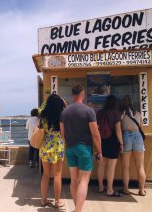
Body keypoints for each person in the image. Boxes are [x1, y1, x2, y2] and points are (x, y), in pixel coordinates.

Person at [60, 84, 102, 212]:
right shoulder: (89, 111)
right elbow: (95, 134)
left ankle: (76, 208)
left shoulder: (64, 112)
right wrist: (99, 151)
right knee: (84, 181)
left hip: (70, 148)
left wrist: (67, 143)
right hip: (84, 148)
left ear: (73, 95)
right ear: (82, 94)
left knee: (74, 179)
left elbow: (62, 133)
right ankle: (78, 210)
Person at [39, 94, 66, 208]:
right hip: (57, 146)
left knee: (46, 174)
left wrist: (48, 101)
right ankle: (57, 201)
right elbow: (67, 108)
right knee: (57, 175)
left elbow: (42, 106)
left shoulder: (43, 115)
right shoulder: (62, 115)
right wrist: (63, 100)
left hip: (45, 145)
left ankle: (44, 200)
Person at [96, 95, 123, 197]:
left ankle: (100, 187)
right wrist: (121, 143)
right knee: (111, 167)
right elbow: (118, 130)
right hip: (112, 141)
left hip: (101, 141)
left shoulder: (99, 113)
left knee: (101, 165)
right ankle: (110, 190)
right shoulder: (116, 114)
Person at [119, 95, 146, 196]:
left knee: (125, 166)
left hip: (126, 137)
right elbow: (141, 127)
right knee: (140, 166)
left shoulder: (122, 115)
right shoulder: (138, 114)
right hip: (137, 136)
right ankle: (142, 190)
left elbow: (119, 127)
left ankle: (125, 189)